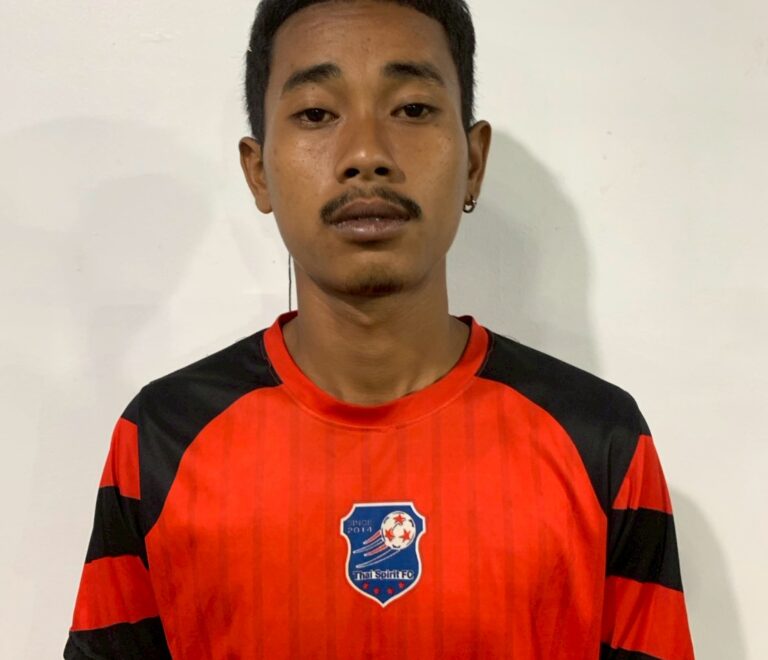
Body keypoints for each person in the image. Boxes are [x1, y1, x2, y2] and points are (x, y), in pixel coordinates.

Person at [64, 1, 695, 658]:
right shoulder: (162, 437)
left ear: (474, 162)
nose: (366, 154)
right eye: (316, 114)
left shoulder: (600, 441)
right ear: (259, 171)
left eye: (412, 109)